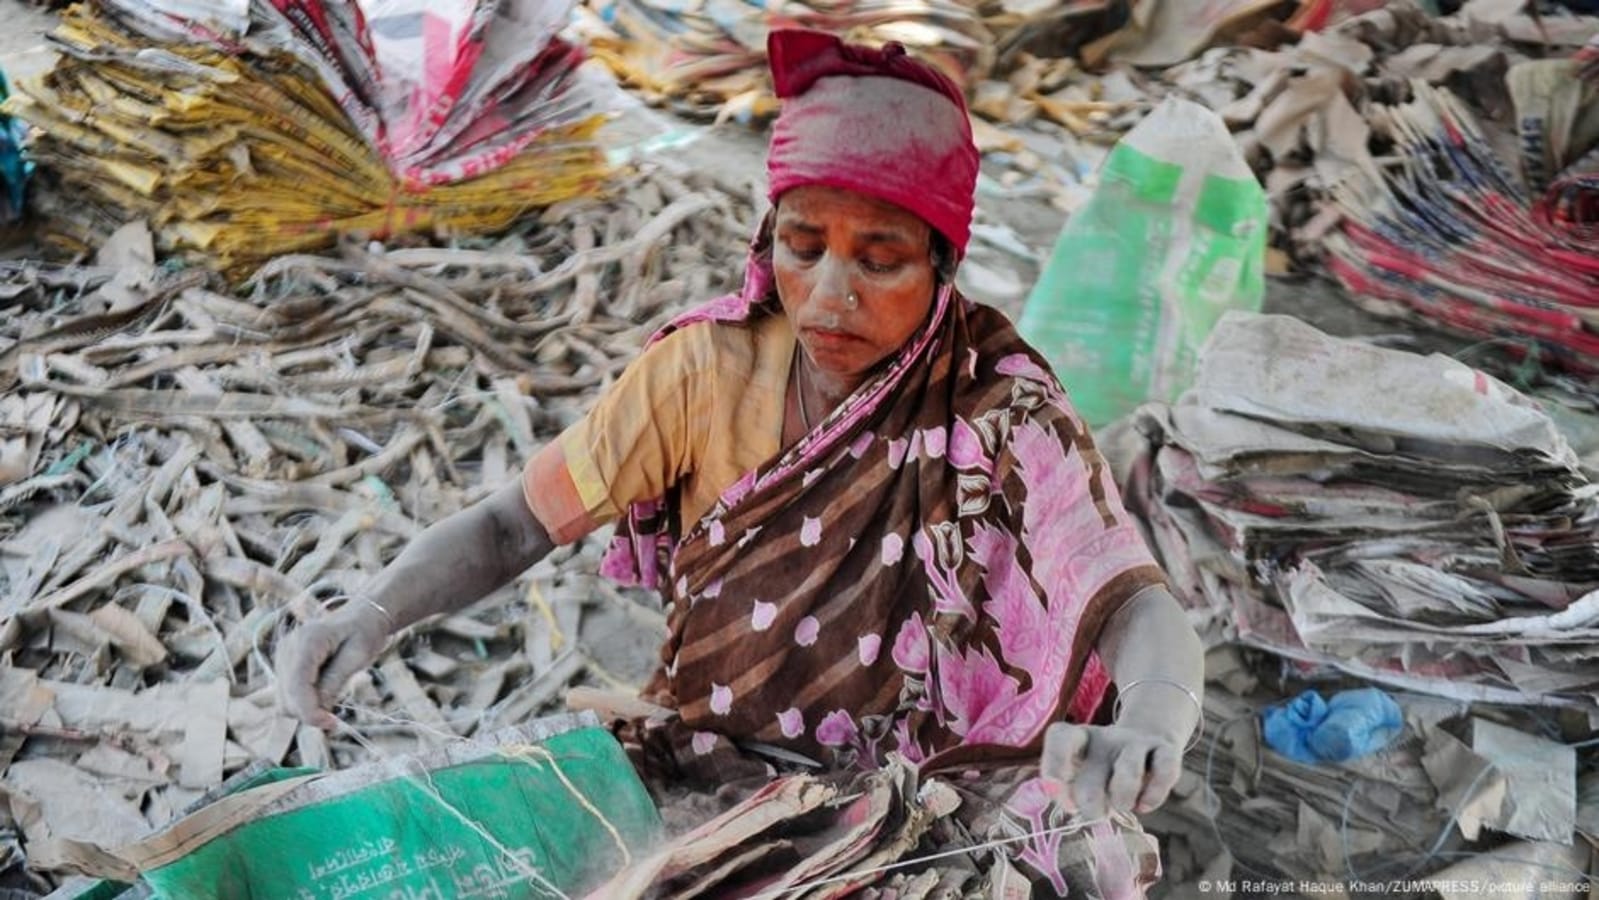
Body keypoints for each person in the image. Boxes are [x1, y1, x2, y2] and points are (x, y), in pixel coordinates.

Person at [277, 28, 1204, 895]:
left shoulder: (997, 410)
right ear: (768, 244)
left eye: (880, 260)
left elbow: (1127, 598)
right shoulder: (702, 373)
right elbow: (515, 523)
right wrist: (372, 612)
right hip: (706, 757)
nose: (830, 296)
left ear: (941, 265)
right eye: (804, 248)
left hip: (922, 798)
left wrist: (1153, 715)